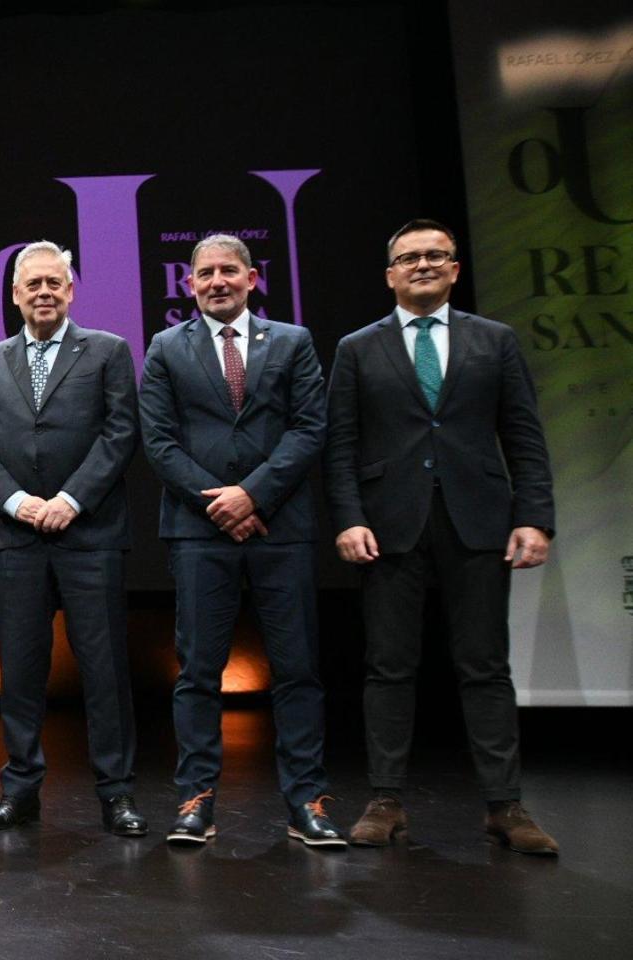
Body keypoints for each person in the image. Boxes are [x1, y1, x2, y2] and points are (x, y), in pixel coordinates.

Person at [326, 219, 559, 855]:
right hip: (389, 524)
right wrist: (348, 518)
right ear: (390, 274)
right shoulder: (357, 348)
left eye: (436, 256)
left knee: (485, 665)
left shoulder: (496, 341)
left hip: (478, 518)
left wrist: (534, 516)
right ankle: (385, 800)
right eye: (409, 258)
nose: (422, 265)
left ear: (455, 268)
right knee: (388, 666)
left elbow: (524, 435)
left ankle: (505, 805)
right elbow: (340, 444)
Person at [138, 234, 343, 847]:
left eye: (230, 270)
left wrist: (253, 495)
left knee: (298, 670)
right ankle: (195, 800)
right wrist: (221, 504)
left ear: (253, 279)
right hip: (199, 532)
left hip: (281, 528)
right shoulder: (166, 347)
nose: (217, 281)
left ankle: (308, 801)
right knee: (199, 671)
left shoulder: (293, 341)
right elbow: (159, 441)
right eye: (206, 273)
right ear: (190, 283)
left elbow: (310, 428)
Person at [0, 241, 145, 834]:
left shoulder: (108, 351)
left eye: (54, 283)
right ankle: (21, 789)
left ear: (70, 290)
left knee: (104, 669)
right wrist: (18, 502)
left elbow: (120, 434)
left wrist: (70, 500)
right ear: (15, 294)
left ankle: (116, 793)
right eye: (32, 284)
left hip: (88, 534)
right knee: (18, 669)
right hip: (15, 538)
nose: (44, 292)